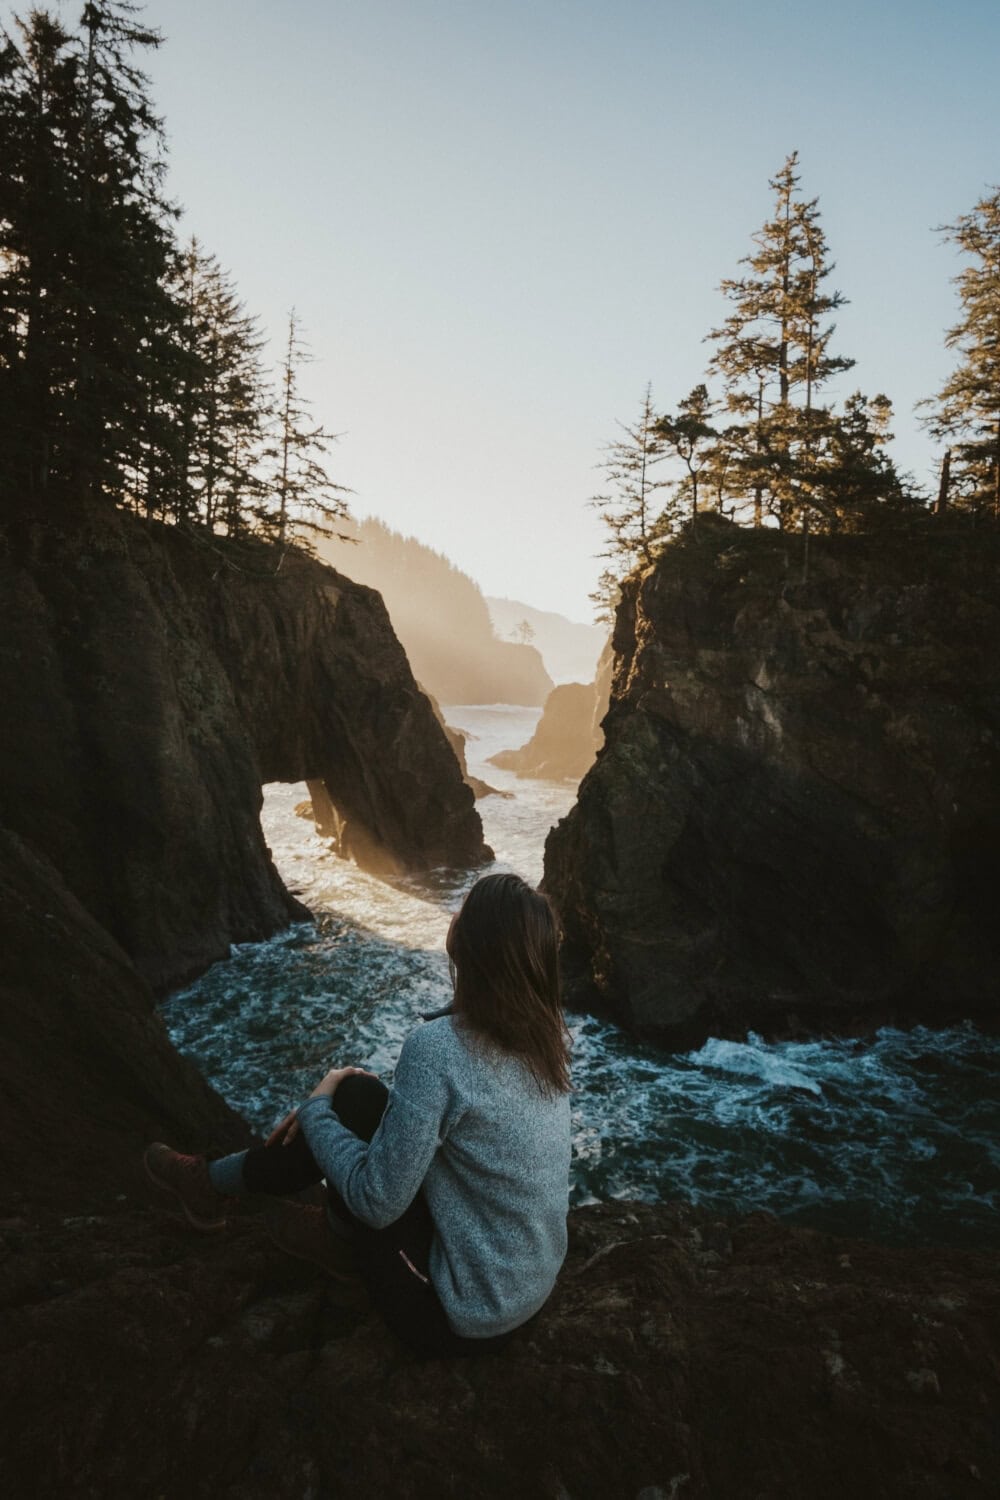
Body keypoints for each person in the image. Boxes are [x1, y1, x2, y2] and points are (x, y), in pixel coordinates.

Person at [144, 872, 572, 1359]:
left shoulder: (438, 1050)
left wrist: (315, 1108)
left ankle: (247, 1200)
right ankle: (222, 1187)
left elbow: (376, 1202)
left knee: (344, 1105)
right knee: (361, 1095)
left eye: (464, 909)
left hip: (455, 1315)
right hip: (528, 1288)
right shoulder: (544, 1039)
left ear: (472, 944)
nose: (453, 914)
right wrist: (340, 1095)